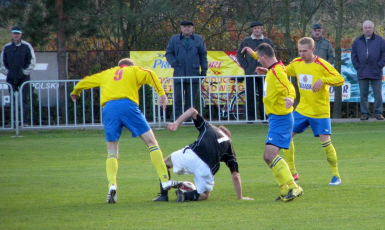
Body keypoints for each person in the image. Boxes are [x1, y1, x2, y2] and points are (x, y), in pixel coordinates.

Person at [70, 58, 172, 204]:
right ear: (131, 65)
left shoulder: (107, 73)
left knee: (112, 151)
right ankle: (165, 180)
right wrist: (161, 93)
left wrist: (76, 91)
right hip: (127, 105)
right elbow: (150, 74)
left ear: (118, 66)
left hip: (109, 109)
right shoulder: (134, 70)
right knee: (151, 142)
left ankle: (112, 185)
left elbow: (86, 81)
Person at [241, 43, 303, 202]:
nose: (259, 62)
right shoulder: (274, 68)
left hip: (281, 119)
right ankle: (285, 190)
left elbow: (289, 86)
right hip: (276, 118)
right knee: (268, 157)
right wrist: (253, 54)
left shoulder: (277, 72)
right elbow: (268, 63)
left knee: (269, 155)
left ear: (265, 57)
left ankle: (294, 187)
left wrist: (290, 97)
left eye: (260, 59)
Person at [152, 107, 254, 203]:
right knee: (204, 194)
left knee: (164, 164)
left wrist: (176, 123)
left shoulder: (209, 127)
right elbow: (235, 175)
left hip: (192, 154)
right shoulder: (229, 144)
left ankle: (163, 195)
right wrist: (240, 197)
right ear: (228, 136)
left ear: (219, 129)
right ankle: (185, 195)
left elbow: (192, 110)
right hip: (206, 167)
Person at [282, 37, 345, 186]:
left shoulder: (322, 65)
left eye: (304, 51)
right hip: (302, 110)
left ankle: (336, 175)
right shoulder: (296, 63)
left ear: (312, 50)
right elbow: (282, 71)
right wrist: (267, 68)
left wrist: (323, 80)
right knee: (286, 136)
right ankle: (293, 172)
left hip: (320, 112)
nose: (302, 54)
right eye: (300, 51)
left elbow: (340, 79)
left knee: (326, 143)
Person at [166, 20, 208, 120]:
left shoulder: (198, 39)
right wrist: (175, 64)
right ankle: (176, 119)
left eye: (189, 26)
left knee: (191, 98)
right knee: (177, 98)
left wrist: (204, 70)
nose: (186, 28)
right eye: (184, 27)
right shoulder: (174, 39)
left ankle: (189, 119)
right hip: (179, 72)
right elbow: (169, 53)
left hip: (193, 72)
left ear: (192, 28)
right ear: (181, 28)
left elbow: (203, 55)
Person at [351, 20, 385, 121]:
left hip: (375, 72)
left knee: (377, 94)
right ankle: (364, 113)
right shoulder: (357, 41)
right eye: (366, 28)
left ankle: (378, 113)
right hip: (362, 72)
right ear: (363, 29)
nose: (367, 29)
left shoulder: (380, 40)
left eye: (369, 28)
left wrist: (379, 66)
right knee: (363, 94)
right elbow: (353, 56)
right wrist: (358, 67)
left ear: (373, 29)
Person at [236, 21, 274, 122]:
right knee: (250, 95)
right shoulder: (246, 41)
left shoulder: (267, 41)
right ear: (252, 30)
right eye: (255, 28)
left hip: (265, 73)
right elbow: (239, 55)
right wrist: (246, 66)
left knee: (264, 95)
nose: (257, 30)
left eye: (259, 28)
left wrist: (268, 66)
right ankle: (251, 118)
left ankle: (264, 117)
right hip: (250, 73)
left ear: (262, 29)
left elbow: (272, 55)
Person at [0, 26, 36, 125]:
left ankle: (25, 122)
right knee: (13, 100)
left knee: (25, 100)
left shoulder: (27, 46)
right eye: (14, 33)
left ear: (21, 34)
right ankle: (13, 122)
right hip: (11, 78)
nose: (16, 35)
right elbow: (2, 62)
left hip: (24, 78)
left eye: (18, 33)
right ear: (12, 34)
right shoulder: (7, 47)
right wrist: (8, 73)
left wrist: (24, 72)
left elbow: (32, 61)